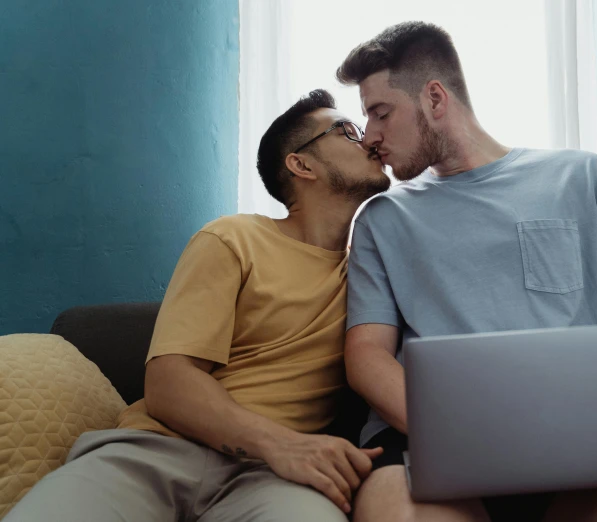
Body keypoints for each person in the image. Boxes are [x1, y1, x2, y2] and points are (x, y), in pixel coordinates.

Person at [336, 22, 597, 522]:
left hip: (574, 443)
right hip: (427, 450)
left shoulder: (584, 176)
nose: (370, 136)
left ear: (434, 99)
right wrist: (457, 433)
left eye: (380, 113)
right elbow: (366, 355)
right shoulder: (381, 220)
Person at [5, 89, 391, 522]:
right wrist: (284, 445)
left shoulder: (372, 273)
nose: (370, 140)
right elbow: (170, 384)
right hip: (158, 452)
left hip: (274, 481)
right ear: (301, 164)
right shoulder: (234, 239)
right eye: (348, 131)